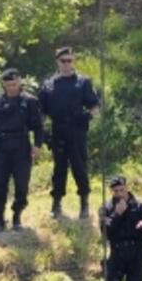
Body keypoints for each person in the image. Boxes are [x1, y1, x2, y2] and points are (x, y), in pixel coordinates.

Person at [38, 47, 100, 220]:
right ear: (57, 61)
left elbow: (95, 105)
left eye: (69, 60)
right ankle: (56, 204)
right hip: (58, 130)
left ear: (73, 61)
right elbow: (41, 111)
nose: (66, 64)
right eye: (63, 61)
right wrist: (41, 131)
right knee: (59, 169)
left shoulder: (83, 82)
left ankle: (84, 204)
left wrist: (88, 115)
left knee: (80, 167)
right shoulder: (49, 84)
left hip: (77, 129)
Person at [0, 69, 44, 233]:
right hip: (2, 147)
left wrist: (37, 145)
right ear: (4, 85)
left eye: (14, 84)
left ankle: (17, 216)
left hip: (21, 146)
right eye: (8, 85)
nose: (12, 88)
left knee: (21, 184)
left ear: (20, 82)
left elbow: (38, 126)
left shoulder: (29, 101)